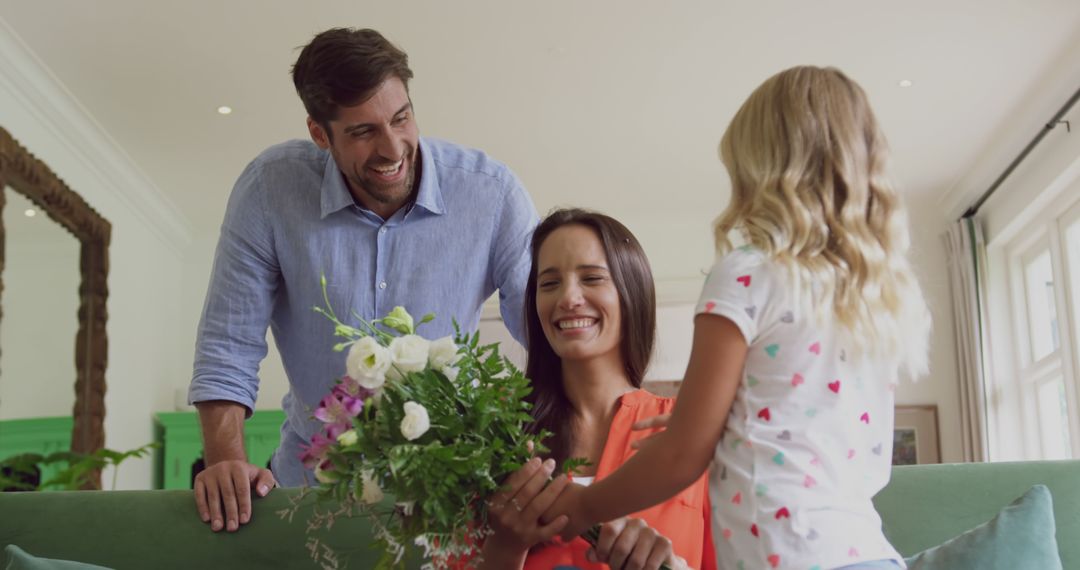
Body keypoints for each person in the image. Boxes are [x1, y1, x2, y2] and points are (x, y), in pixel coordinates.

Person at [544, 66, 932, 570]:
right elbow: (810, 424)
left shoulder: (745, 275)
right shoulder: (869, 295)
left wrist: (585, 506)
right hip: (867, 553)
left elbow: (685, 451)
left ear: (763, 171)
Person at [187, 28, 538, 533]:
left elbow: (548, 334)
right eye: (362, 131)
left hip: (446, 502)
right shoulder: (271, 188)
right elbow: (228, 342)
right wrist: (224, 461)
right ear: (319, 133)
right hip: (308, 499)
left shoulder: (491, 193)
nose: (393, 147)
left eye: (402, 118)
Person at [471, 209, 716, 570]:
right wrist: (504, 549)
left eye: (592, 278)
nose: (568, 298)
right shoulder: (493, 429)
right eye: (549, 283)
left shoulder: (689, 430)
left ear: (631, 292)